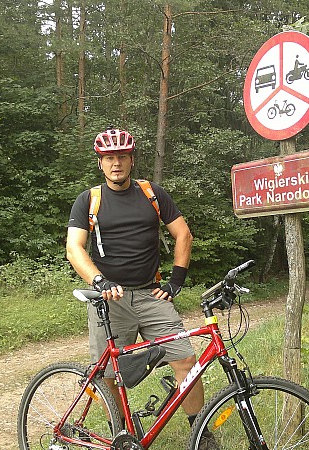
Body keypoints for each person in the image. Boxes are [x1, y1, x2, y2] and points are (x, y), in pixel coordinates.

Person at [66, 126, 218, 450]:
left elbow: (183, 234)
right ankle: (122, 433)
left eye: (122, 157)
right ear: (100, 163)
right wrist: (99, 281)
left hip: (152, 294)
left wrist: (176, 282)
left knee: (185, 361)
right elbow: (74, 248)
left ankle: (201, 435)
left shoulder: (152, 193)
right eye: (109, 158)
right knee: (108, 374)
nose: (116, 163)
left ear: (132, 160)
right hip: (110, 298)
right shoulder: (89, 200)